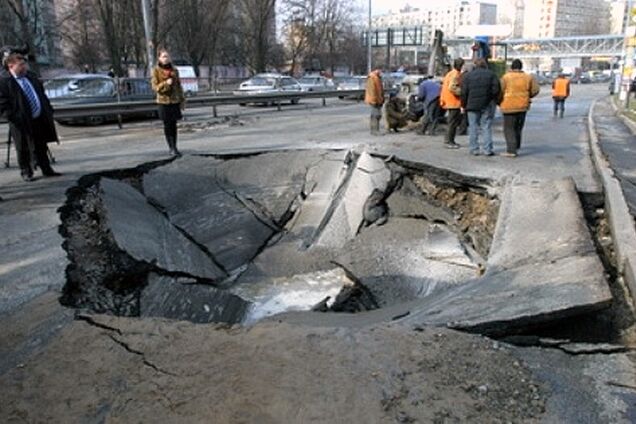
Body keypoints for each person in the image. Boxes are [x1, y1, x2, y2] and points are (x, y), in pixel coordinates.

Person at [0, 52, 60, 181]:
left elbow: (41, 94)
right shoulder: (5, 82)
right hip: (20, 120)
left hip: (38, 116)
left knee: (41, 144)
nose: (24, 67)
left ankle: (46, 168)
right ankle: (26, 171)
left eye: (24, 64)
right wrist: (13, 116)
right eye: (20, 65)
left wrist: (47, 108)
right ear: (11, 66)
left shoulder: (31, 77)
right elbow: (2, 103)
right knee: (22, 147)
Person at [499, 59, 540, 158]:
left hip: (508, 106)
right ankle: (516, 145)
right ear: (521, 67)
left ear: (511, 67)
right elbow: (535, 90)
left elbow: (500, 91)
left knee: (509, 129)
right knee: (518, 127)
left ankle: (511, 151)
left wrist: (499, 101)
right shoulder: (528, 77)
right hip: (523, 106)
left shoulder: (506, 77)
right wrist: (527, 96)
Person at [461, 58, 500, 156]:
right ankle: (487, 150)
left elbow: (464, 92)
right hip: (486, 104)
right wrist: (491, 98)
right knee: (486, 126)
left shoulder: (468, 76)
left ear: (475, 65)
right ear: (485, 65)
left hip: (471, 105)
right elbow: (496, 89)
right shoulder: (491, 74)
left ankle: (474, 149)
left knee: (473, 127)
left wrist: (463, 105)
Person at [151, 49, 185, 157]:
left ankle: (175, 147)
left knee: (173, 124)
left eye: (167, 56)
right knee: (167, 125)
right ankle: (170, 147)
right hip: (163, 101)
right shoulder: (156, 71)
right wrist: (166, 83)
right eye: (164, 56)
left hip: (174, 101)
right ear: (159, 58)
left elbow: (179, 86)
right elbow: (155, 87)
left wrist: (182, 100)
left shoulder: (174, 70)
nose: (166, 58)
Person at [440, 58, 465, 149]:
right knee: (452, 123)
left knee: (452, 122)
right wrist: (462, 92)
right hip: (453, 102)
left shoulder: (450, 73)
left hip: (449, 101)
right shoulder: (455, 75)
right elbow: (452, 87)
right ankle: (448, 141)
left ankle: (451, 140)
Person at [365, 67, 384, 135]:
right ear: (376, 70)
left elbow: (380, 90)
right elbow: (371, 91)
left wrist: (381, 99)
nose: (381, 72)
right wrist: (374, 101)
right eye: (380, 70)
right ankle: (375, 130)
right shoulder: (372, 77)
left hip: (377, 100)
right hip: (374, 101)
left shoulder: (377, 78)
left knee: (377, 115)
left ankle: (375, 130)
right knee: (376, 115)